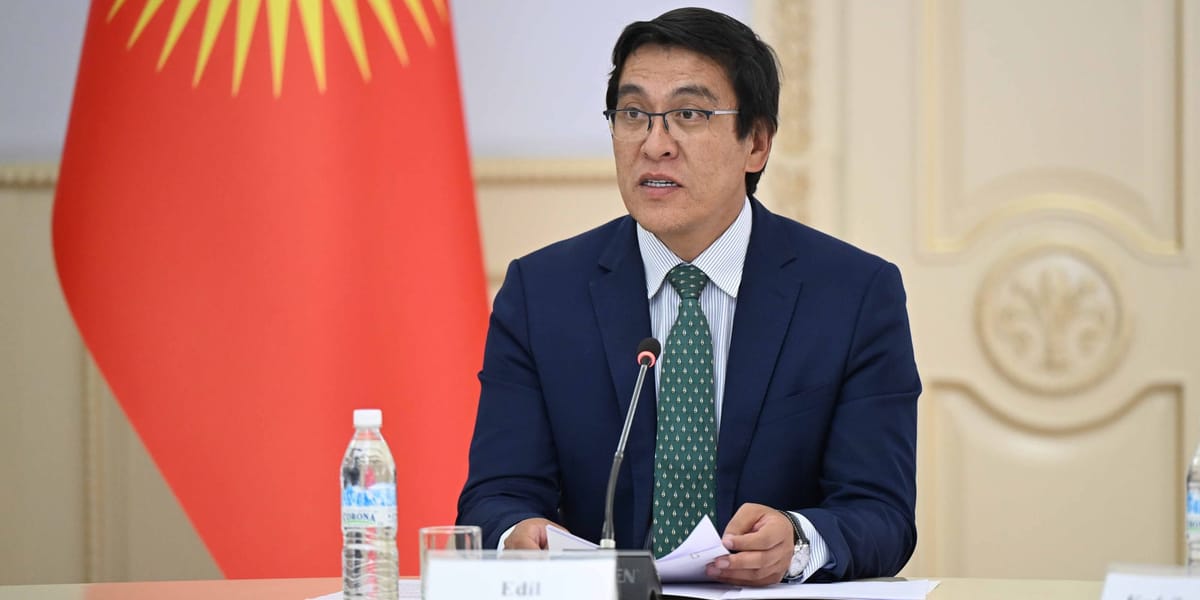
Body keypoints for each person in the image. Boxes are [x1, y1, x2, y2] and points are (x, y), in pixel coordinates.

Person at [457, 7, 920, 586]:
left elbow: (882, 513)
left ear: (756, 143)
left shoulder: (853, 294)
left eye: (689, 114)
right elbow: (495, 496)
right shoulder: (542, 292)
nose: (655, 144)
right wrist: (516, 534)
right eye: (633, 114)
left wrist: (797, 541)